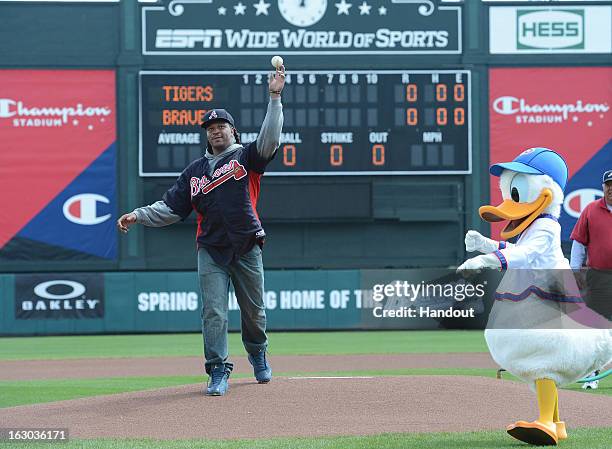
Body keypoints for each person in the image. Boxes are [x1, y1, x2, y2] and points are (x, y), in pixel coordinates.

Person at [117, 64, 286, 396]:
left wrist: (275, 97)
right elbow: (170, 208)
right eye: (210, 128)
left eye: (221, 126)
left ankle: (257, 351)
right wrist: (138, 215)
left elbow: (270, 139)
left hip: (246, 243)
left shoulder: (248, 157)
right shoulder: (193, 172)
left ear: (233, 132)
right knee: (213, 312)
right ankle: (218, 369)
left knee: (255, 311)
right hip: (210, 248)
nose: (216, 131)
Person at [570, 169, 612, 389]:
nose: (611, 188)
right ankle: (592, 374)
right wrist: (574, 270)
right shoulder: (591, 210)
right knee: (596, 327)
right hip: (598, 276)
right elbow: (578, 243)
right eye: (608, 184)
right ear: (603, 187)